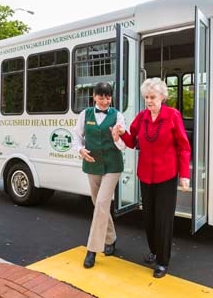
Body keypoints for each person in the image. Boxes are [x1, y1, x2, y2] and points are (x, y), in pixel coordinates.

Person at [112, 77, 191, 278]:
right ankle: (154, 251)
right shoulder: (142, 117)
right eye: (146, 97)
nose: (149, 101)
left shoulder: (173, 115)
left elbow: (184, 147)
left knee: (163, 219)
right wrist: (121, 133)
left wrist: (185, 175)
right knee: (149, 218)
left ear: (162, 97)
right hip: (146, 175)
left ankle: (163, 261)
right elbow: (131, 141)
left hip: (167, 174)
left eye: (153, 97)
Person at [73, 82, 127, 269]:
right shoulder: (84, 115)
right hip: (92, 165)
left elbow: (123, 146)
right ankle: (111, 238)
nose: (105, 101)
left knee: (103, 203)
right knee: (99, 204)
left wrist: (117, 138)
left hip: (113, 166)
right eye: (101, 97)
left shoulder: (117, 116)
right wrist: (80, 150)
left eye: (108, 97)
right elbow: (77, 137)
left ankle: (92, 250)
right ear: (94, 97)